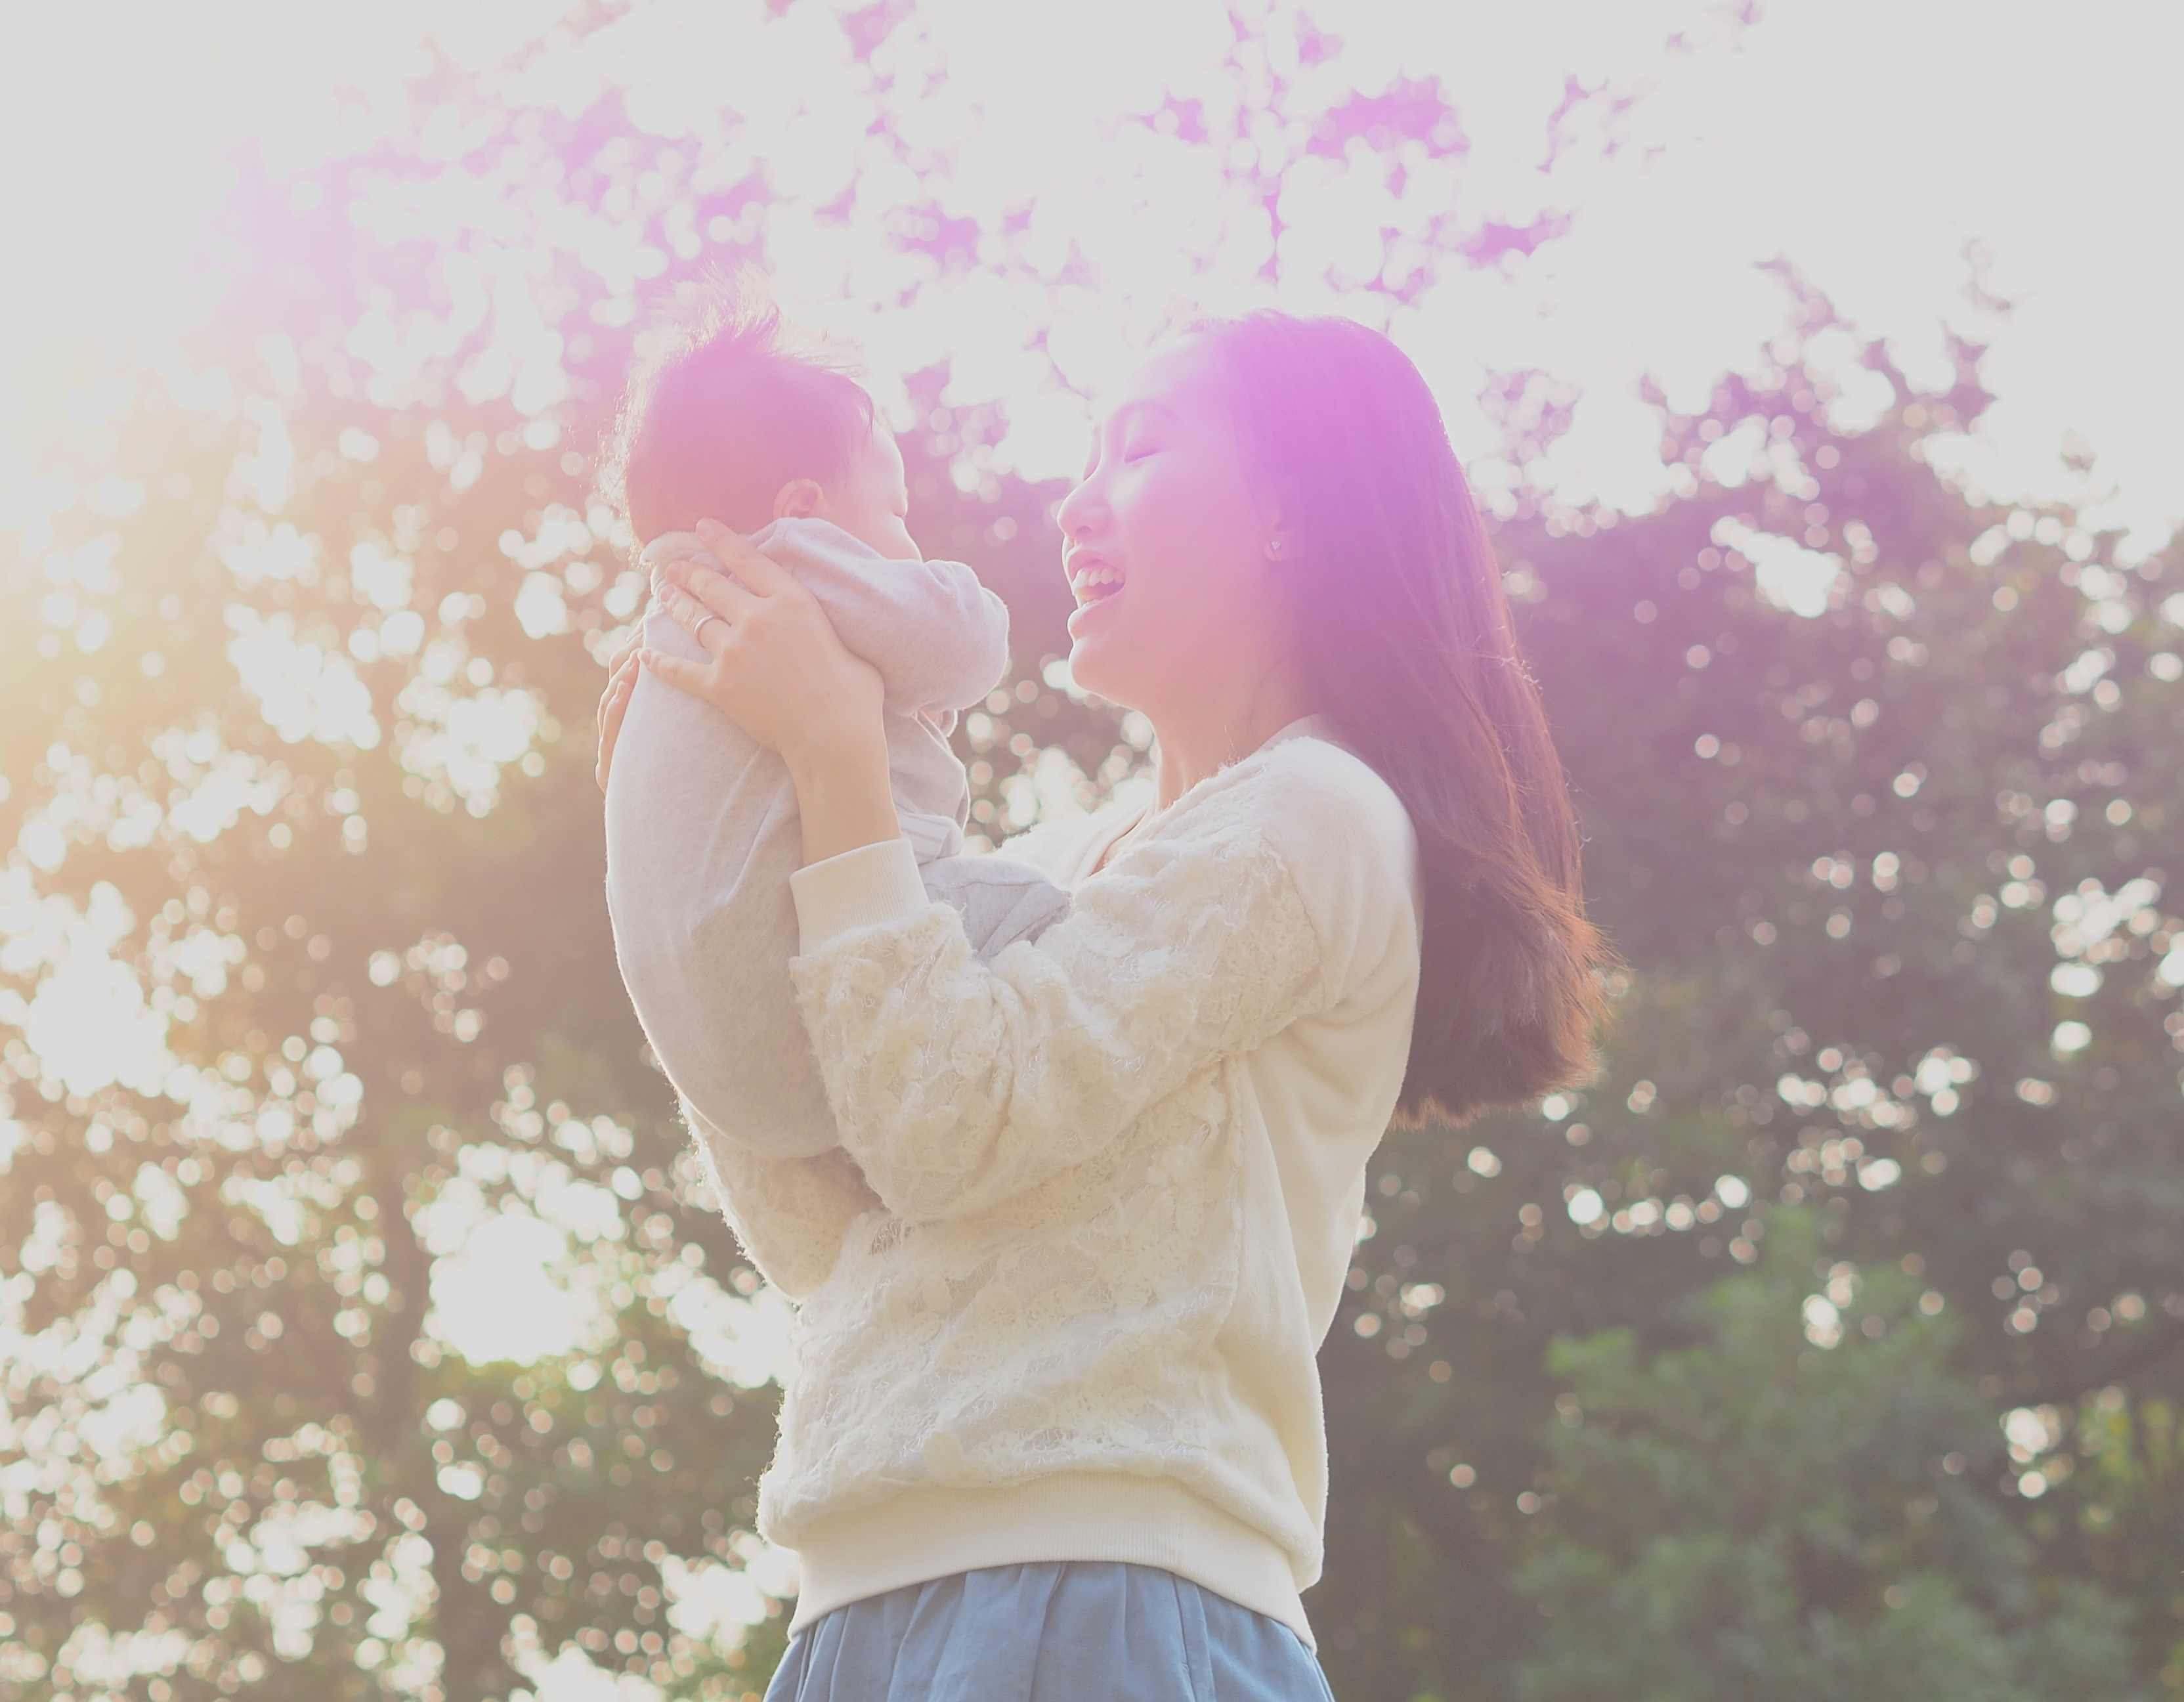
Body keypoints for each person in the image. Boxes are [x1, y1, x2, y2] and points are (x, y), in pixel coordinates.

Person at [596, 311, 1604, 1699]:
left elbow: (946, 1128)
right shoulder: (1051, 872)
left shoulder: (1314, 818)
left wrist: (832, 754)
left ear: (1288, 512)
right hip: (858, 1618)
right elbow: (817, 1224)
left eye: (1139, 448)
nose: (1075, 503)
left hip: (1106, 1602)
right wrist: (700, 846)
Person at [605, 307, 1067, 1161]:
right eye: (896, 512)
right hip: (823, 1008)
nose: (908, 545)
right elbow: (964, 648)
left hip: (726, 1080)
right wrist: (956, 607)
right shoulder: (786, 555)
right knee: (1046, 906)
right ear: (804, 510)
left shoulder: (664, 635)